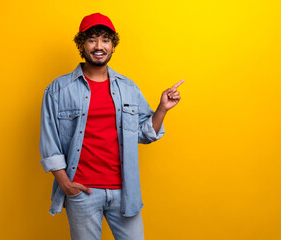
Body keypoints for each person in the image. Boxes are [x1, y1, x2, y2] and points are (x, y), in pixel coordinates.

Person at [39, 12, 184, 240]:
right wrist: (65, 184)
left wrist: (162, 108)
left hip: (125, 191)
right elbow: (49, 141)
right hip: (83, 192)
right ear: (81, 44)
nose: (99, 46)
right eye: (92, 39)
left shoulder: (128, 88)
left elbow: (145, 134)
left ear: (113, 46)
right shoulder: (59, 89)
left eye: (105, 40)